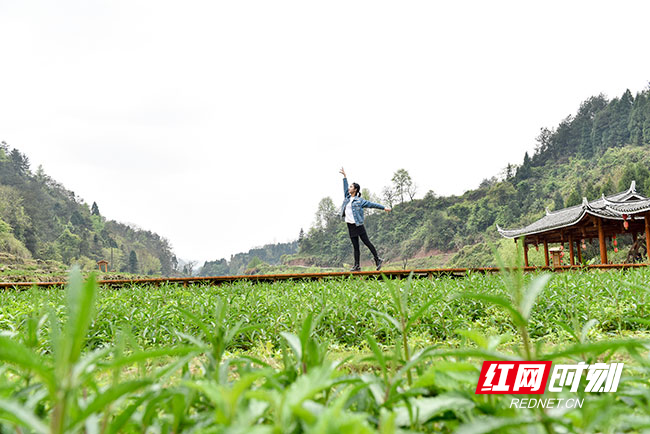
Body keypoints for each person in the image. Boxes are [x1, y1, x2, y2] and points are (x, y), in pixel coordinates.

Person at [339, 167, 391, 271]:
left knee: (367, 242)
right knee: (355, 246)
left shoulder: (359, 201)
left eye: (351, 187)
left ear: (355, 190)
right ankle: (357, 266)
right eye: (349, 187)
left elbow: (372, 204)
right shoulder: (347, 197)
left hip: (358, 225)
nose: (349, 188)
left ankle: (377, 259)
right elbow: (345, 187)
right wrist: (345, 177)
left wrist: (383, 208)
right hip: (350, 225)